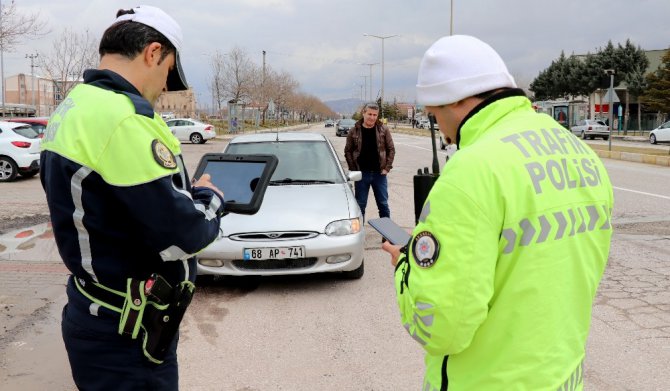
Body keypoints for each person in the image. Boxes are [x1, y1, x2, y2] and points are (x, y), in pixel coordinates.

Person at [382, 35, 613, 390]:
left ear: (456, 98)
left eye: (434, 114)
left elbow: (442, 328)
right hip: (561, 377)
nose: (440, 128)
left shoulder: (471, 171)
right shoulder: (579, 152)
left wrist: (405, 270)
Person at [40, 6, 225, 390]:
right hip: (126, 335)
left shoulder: (77, 104)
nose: (163, 86)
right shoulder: (122, 118)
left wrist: (176, 195)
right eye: (167, 72)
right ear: (153, 52)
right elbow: (183, 236)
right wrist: (211, 199)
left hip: (97, 313)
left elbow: (121, 202)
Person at [344, 102, 395, 221]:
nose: (372, 117)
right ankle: (359, 235)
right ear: (364, 113)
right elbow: (348, 151)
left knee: (383, 205)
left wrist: (386, 168)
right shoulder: (354, 131)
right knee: (360, 206)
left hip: (379, 174)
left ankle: (387, 236)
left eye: (375, 115)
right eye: (370, 114)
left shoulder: (383, 129)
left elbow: (391, 149)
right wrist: (354, 169)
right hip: (361, 174)